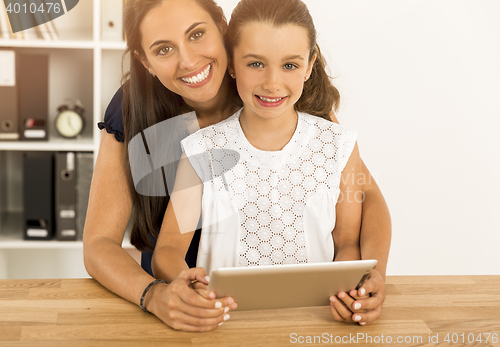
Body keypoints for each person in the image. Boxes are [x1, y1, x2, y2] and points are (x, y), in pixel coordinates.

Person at [83, 0, 391, 332]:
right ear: (145, 61)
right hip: (190, 300)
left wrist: (371, 277)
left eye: (197, 34)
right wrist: (155, 295)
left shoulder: (280, 95)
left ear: (222, 27)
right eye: (164, 49)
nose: (188, 60)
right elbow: (100, 244)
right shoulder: (141, 111)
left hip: (305, 310)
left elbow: (363, 196)